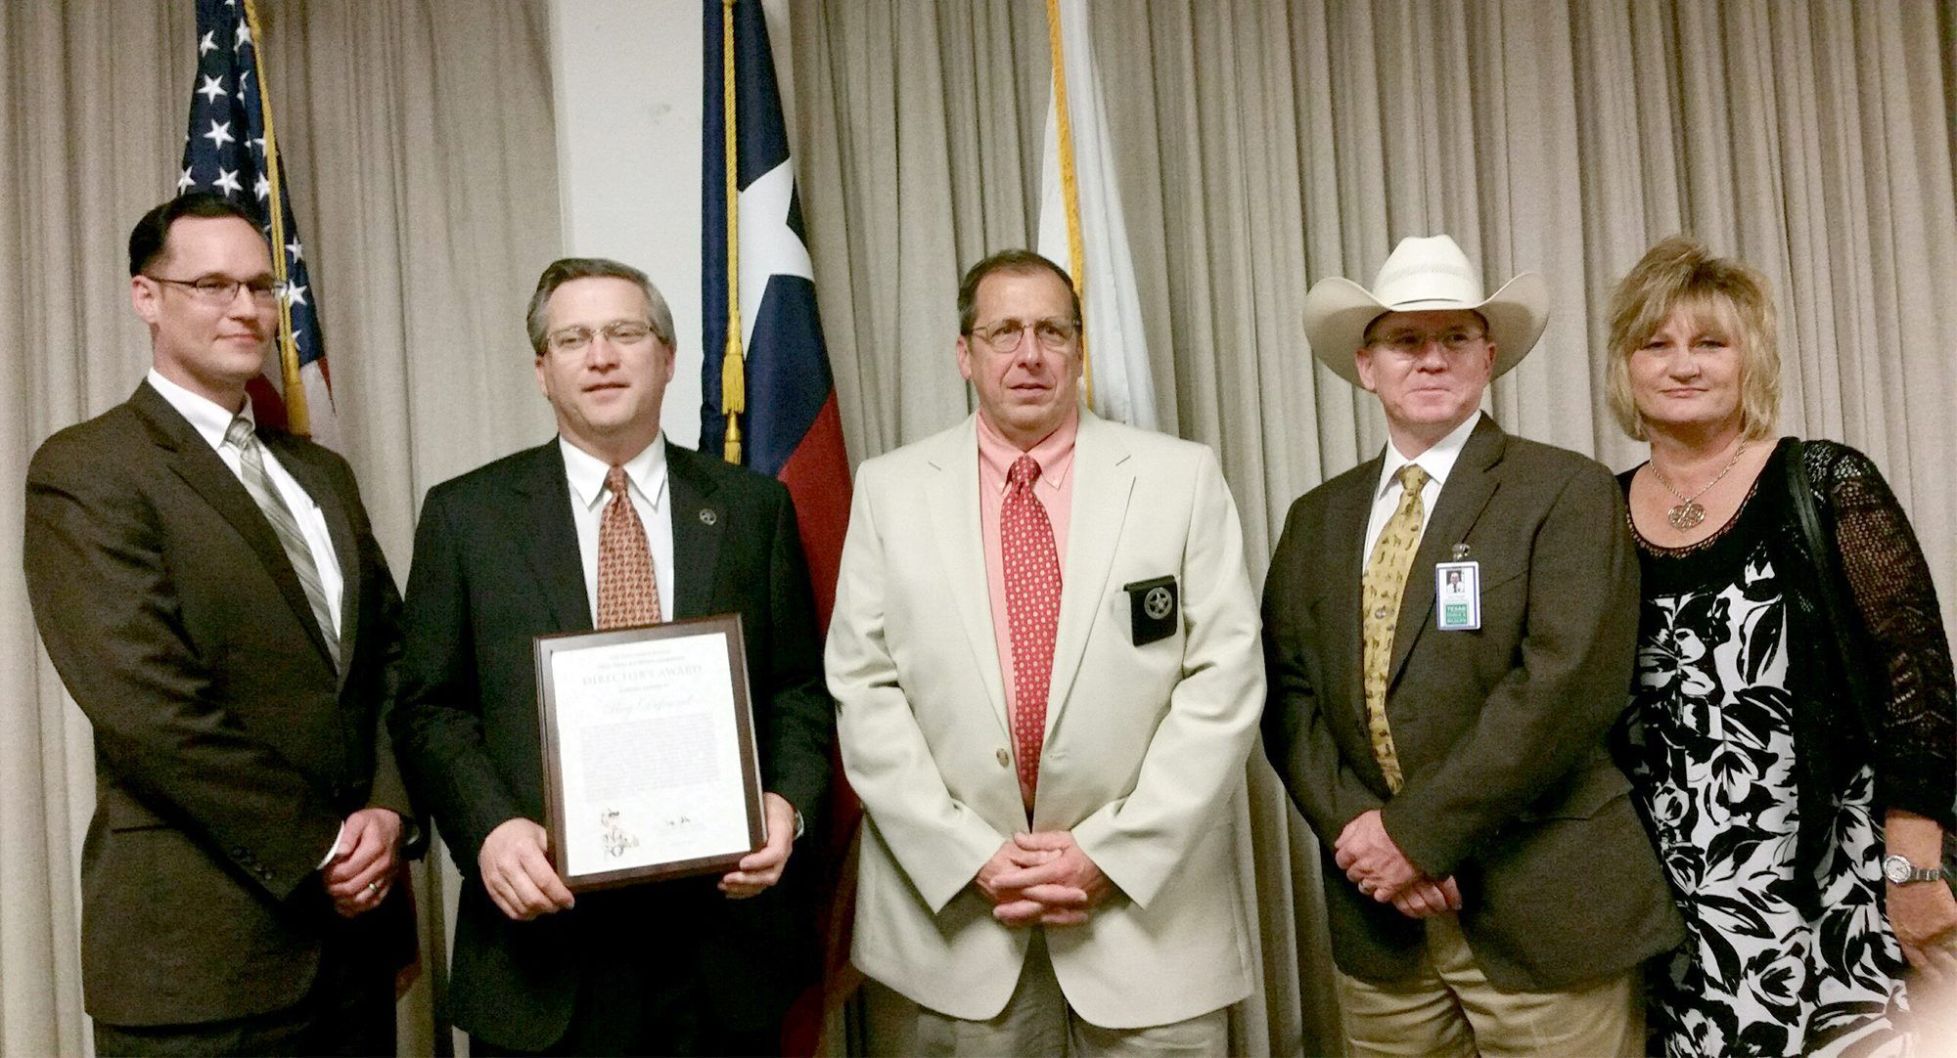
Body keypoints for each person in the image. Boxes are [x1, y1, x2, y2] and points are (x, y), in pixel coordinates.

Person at [826, 249, 1264, 1055]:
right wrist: (972, 856)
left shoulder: (1180, 479)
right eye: (1004, 332)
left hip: (1149, 924)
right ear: (965, 353)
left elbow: (1224, 681)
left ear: (1078, 348)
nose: (1029, 354)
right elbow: (864, 688)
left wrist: (1108, 854)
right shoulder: (889, 490)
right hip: (954, 923)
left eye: (1051, 331)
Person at [390, 257, 831, 1055]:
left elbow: (796, 687)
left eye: (625, 333)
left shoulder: (751, 509)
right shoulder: (466, 517)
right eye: (573, 339)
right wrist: (488, 831)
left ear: (665, 358)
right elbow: (428, 706)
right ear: (541, 370)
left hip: (722, 954)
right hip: (541, 955)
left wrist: (787, 805)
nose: (600, 356)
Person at [1263, 235, 1683, 1057]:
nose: (1430, 359)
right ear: (1365, 365)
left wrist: (1413, 837)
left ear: (1487, 357)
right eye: (1405, 340)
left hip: (1542, 914)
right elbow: (1287, 697)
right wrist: (1363, 836)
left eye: (1454, 338)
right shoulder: (1317, 519)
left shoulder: (1564, 490)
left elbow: (1563, 691)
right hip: (1381, 929)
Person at [22, 191, 416, 1055]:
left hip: (357, 950)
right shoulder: (88, 470)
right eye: (210, 284)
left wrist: (387, 813)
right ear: (145, 296)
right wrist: (324, 851)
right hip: (201, 967)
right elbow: (149, 711)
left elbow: (390, 660)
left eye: (260, 285)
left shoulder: (322, 473)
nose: (245, 308)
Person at [1603, 235, 1957, 1056]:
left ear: (1748, 359)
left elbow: (1918, 685)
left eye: (1709, 343)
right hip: (1678, 908)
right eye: (1654, 343)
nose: (1681, 364)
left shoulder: (1824, 481)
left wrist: (1912, 872)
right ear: (1624, 367)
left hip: (1841, 885)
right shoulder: (1597, 513)